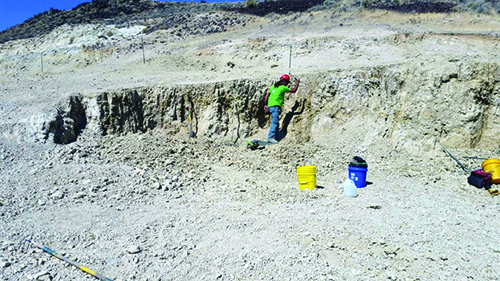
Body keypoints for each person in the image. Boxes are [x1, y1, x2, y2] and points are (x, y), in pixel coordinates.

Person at [263, 74, 300, 143]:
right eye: (287, 82)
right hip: (275, 106)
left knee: (276, 122)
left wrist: (266, 105)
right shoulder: (283, 87)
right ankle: (270, 137)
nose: (287, 84)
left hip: (270, 105)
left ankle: (276, 137)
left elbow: (266, 96)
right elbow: (294, 90)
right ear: (284, 82)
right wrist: (297, 83)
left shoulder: (273, 86)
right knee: (275, 121)